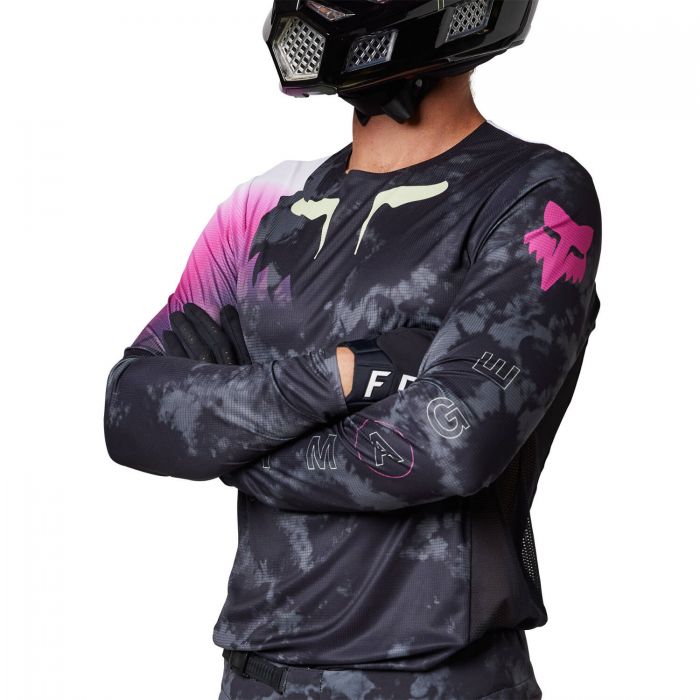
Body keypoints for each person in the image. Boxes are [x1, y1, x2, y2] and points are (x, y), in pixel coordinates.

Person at [103, 1, 601, 697]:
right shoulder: (265, 205)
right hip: (254, 675)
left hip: (439, 682)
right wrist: (345, 375)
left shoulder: (536, 192)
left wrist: (237, 448)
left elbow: (451, 442)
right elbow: (131, 410)